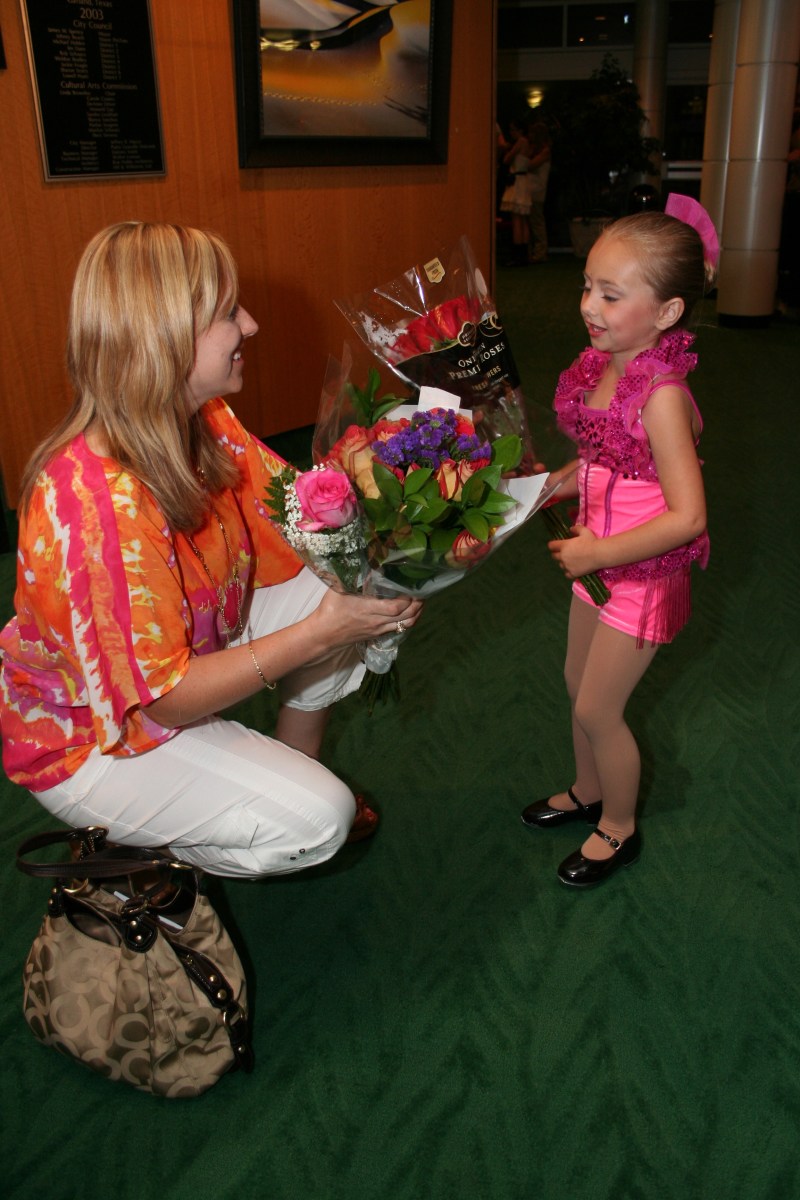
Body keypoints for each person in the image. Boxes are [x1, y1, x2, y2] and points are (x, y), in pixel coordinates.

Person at [0, 222, 422, 878]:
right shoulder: (95, 508)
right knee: (319, 821)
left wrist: (402, 456)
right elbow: (161, 699)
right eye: (228, 313)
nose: (250, 326)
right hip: (95, 740)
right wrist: (317, 635)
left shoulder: (200, 418)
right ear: (163, 335)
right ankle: (139, 854)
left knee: (361, 578)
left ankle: (288, 766)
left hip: (185, 644)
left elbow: (300, 513)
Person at [521, 196, 718, 888]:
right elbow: (607, 462)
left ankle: (620, 825)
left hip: (642, 573)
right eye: (587, 287)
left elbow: (689, 516)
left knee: (599, 707)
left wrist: (598, 553)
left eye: (610, 293)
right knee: (577, 683)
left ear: (666, 314)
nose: (589, 306)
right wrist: (557, 485)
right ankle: (588, 788)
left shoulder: (662, 394)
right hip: (599, 555)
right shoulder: (605, 365)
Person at [499, 118, 534, 267]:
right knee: (522, 219)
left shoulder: (520, 142)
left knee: (517, 220)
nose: (511, 133)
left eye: (513, 130)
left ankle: (519, 254)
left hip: (518, 181)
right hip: (521, 180)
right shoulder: (526, 142)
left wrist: (506, 148)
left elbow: (507, 159)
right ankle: (523, 254)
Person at [525, 121, 552, 263]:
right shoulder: (534, 149)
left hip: (537, 191)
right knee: (530, 223)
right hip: (529, 191)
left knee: (537, 223)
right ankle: (532, 252)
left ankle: (541, 252)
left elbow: (530, 165)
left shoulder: (545, 151)